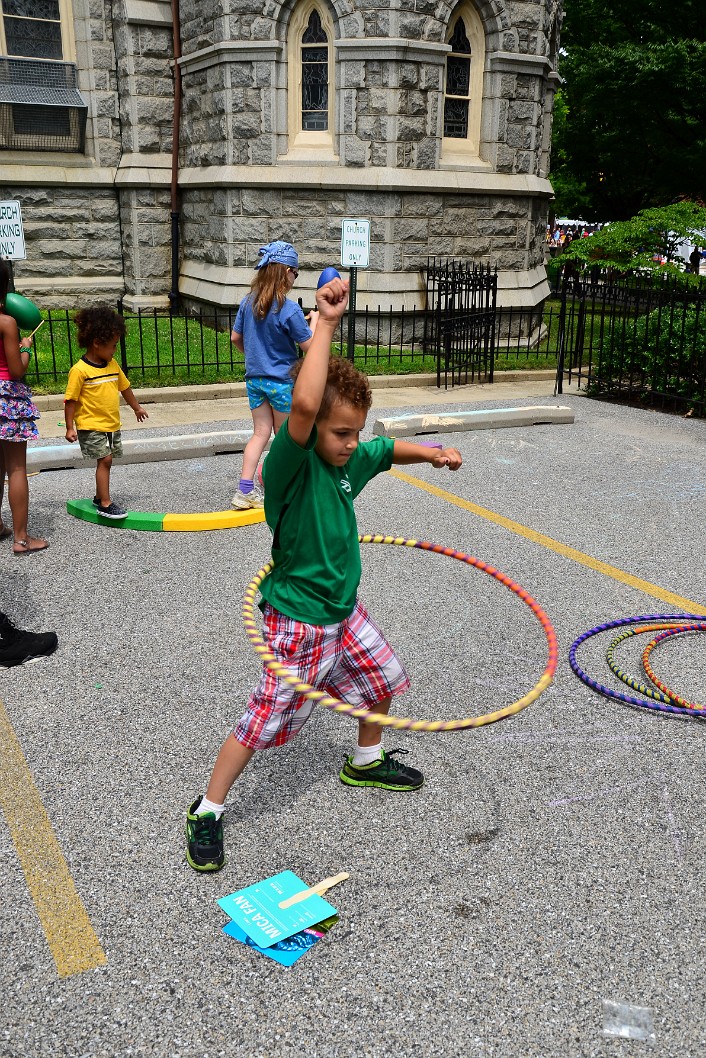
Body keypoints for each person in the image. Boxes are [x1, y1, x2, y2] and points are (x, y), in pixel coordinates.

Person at [185, 274, 463, 872]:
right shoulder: (292, 464)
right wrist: (325, 324)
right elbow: (307, 406)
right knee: (265, 718)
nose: (350, 442)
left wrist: (434, 452)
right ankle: (207, 809)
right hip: (298, 619)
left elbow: (386, 451)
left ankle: (364, 761)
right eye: (341, 433)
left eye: (356, 430)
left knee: (385, 677)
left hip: (344, 611)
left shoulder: (346, 461)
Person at [230, 240, 318, 510]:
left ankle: (245, 490)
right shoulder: (288, 308)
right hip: (281, 383)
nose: (295, 277)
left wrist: (256, 357)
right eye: (296, 272)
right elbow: (311, 348)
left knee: (259, 433)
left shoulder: (248, 302)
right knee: (284, 437)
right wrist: (314, 321)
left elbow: (236, 337)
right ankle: (282, 485)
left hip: (255, 381)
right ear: (285, 271)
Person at [64, 306, 148, 519]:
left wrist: (136, 408)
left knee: (107, 460)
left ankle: (99, 496)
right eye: (112, 346)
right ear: (97, 343)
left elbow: (125, 388)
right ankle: (105, 503)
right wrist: (69, 427)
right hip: (90, 425)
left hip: (111, 423)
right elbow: (70, 400)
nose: (115, 350)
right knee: (106, 460)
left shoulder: (112, 365)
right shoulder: (80, 370)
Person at [0, 260, 48, 555]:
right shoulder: (7, 323)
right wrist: (25, 348)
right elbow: (16, 370)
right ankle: (21, 538)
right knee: (16, 467)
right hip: (6, 398)